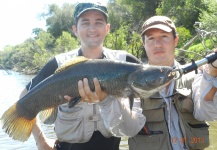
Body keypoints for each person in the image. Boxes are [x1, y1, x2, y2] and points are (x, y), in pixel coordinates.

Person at [19, 2, 146, 150]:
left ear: (107, 28)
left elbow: (148, 80)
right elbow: (24, 97)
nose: (92, 28)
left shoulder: (126, 62)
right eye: (85, 23)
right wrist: (41, 141)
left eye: (98, 22)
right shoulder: (57, 64)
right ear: (75, 30)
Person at [127, 15, 217, 150]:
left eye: (164, 36)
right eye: (151, 38)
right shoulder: (132, 81)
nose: (157, 44)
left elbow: (208, 114)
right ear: (143, 44)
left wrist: (212, 74)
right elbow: (126, 128)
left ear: (176, 40)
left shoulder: (197, 75)